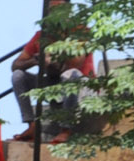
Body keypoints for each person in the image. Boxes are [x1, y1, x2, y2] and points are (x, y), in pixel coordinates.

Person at [11, 0, 96, 143]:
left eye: (59, 9)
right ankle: (32, 125)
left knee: (70, 74)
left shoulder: (80, 31)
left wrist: (55, 60)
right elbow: (15, 65)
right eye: (52, 10)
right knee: (18, 76)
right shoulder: (42, 35)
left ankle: (66, 129)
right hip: (54, 83)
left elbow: (76, 64)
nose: (55, 13)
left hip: (82, 85)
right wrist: (36, 60)